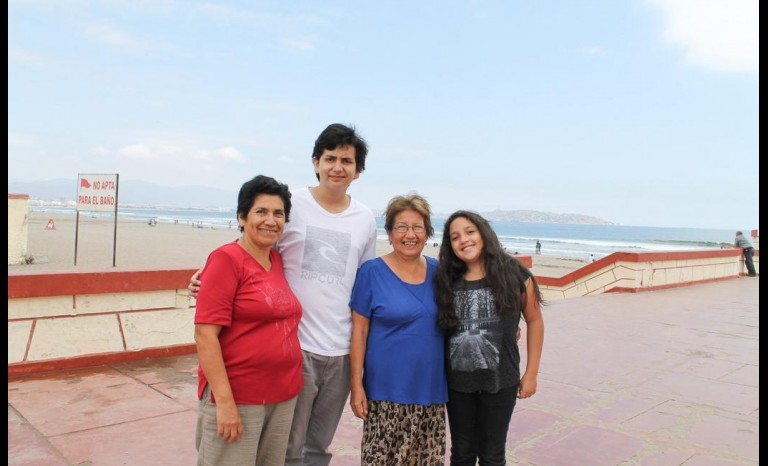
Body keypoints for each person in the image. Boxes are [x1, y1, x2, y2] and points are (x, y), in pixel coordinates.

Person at [190, 123, 377, 466]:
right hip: (297, 346)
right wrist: (209, 275)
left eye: (346, 161)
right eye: (330, 158)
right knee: (286, 450)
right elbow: (252, 243)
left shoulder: (365, 218)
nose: (337, 167)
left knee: (316, 448)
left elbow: (366, 282)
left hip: (340, 349)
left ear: (358, 171)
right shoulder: (293, 203)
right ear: (315, 162)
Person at [194, 175, 303, 466]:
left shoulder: (276, 260)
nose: (271, 220)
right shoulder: (226, 260)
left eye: (278, 214)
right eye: (261, 212)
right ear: (242, 217)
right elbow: (205, 335)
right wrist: (225, 403)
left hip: (283, 395)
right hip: (240, 396)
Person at [435, 210, 545, 466]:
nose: (464, 240)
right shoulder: (446, 279)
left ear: (484, 233)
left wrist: (531, 373)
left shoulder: (514, 273)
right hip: (457, 384)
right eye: (455, 237)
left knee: (493, 454)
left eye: (470, 232)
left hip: (501, 380)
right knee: (462, 451)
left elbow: (535, 320)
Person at [349, 193, 448, 464]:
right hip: (384, 393)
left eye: (417, 227)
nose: (410, 234)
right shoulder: (371, 272)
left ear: (427, 232)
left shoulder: (440, 273)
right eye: (401, 227)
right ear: (390, 233)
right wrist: (356, 385)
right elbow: (359, 332)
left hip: (430, 392)